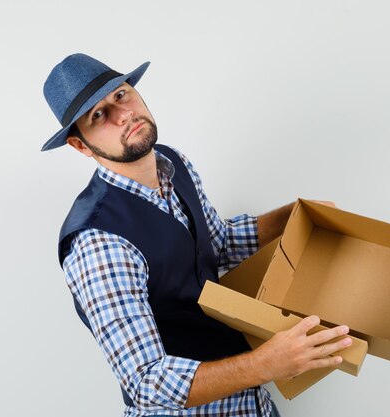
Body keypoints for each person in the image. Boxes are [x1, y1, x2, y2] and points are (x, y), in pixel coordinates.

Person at [41, 53, 352, 417]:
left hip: (249, 404)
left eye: (121, 96)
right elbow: (146, 382)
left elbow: (215, 245)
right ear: (81, 145)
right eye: (98, 116)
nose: (121, 114)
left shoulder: (173, 164)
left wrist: (289, 218)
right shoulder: (97, 241)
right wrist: (267, 364)